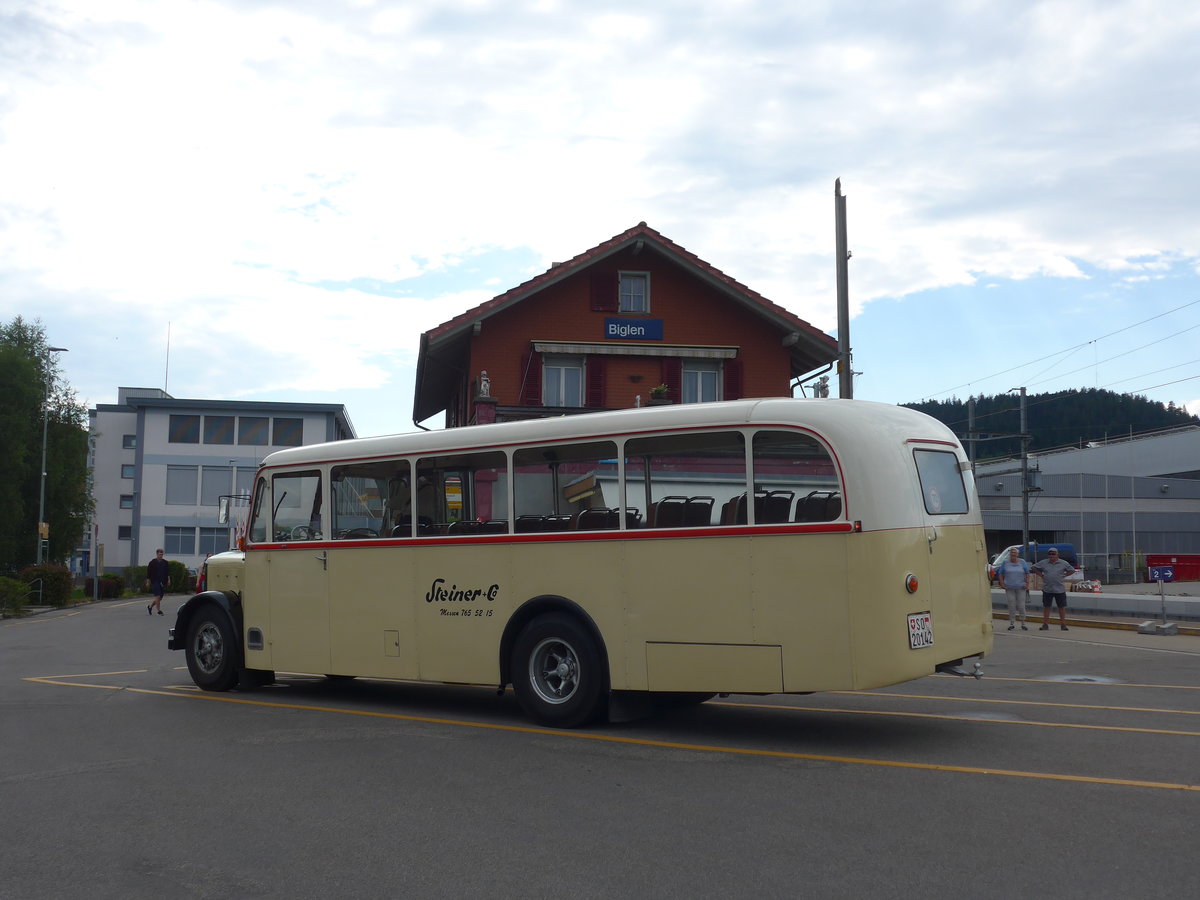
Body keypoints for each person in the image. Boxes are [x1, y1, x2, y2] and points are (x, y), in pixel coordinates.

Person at [1031, 547, 1076, 631]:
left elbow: (1072, 570)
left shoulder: (1063, 563)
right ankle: (1045, 624)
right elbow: (1033, 567)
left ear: (1057, 554)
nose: (1051, 555)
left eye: (1053, 554)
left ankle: (1063, 624)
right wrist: (1041, 575)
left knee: (1061, 607)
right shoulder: (1043, 562)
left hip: (1060, 589)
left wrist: (1065, 575)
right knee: (1046, 607)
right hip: (1047, 588)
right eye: (1050, 554)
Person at [995, 546, 1031, 631]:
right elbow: (1000, 573)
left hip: (1021, 587)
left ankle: (1023, 623)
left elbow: (1027, 573)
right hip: (1009, 587)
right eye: (1011, 553)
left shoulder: (1022, 562)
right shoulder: (1005, 562)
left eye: (1014, 553)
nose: (1013, 554)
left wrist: (1027, 583)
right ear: (1009, 554)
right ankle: (1012, 623)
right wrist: (1002, 583)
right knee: (1011, 605)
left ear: (1017, 554)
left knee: (1021, 605)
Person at [147, 548, 169, 616]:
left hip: (162, 581)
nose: (161, 555)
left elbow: (168, 572)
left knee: (160, 598)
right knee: (158, 596)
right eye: (159, 554)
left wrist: (168, 580)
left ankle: (150, 607)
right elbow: (148, 573)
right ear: (157, 554)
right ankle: (159, 611)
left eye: (162, 554)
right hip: (155, 581)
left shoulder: (165, 562)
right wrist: (148, 582)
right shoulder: (152, 563)